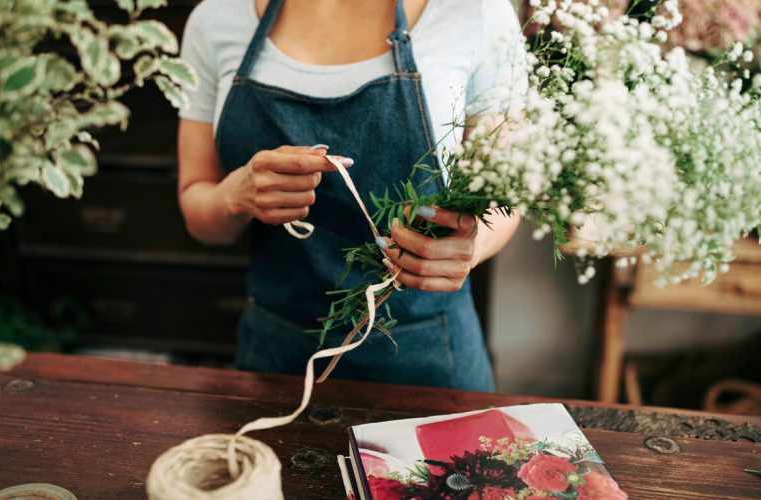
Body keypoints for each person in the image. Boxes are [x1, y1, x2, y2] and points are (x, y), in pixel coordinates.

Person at [176, 0, 527, 391]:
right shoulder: (217, 18)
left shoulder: (474, 11)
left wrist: (473, 245)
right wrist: (235, 195)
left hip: (429, 360)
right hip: (275, 359)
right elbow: (200, 218)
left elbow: (508, 196)